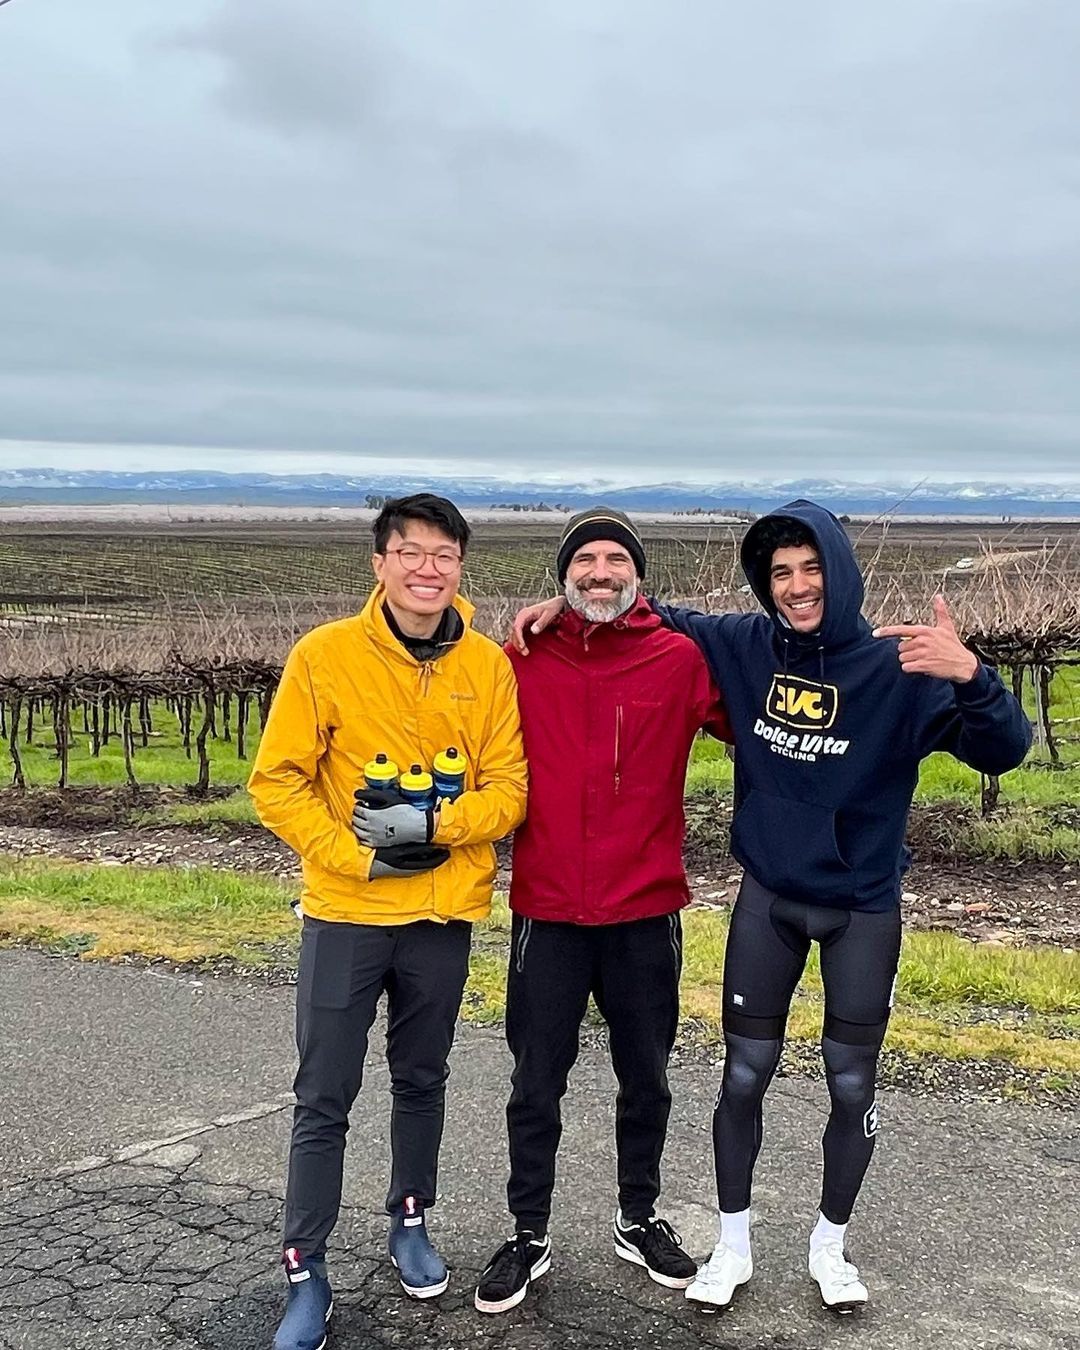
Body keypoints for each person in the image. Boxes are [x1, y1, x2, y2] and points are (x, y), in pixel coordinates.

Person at [511, 499, 1030, 1314]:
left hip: (862, 906)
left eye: (811, 568)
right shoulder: (743, 646)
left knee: (850, 1082)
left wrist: (972, 675)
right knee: (744, 1075)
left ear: (840, 569)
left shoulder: (900, 667)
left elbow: (1006, 749)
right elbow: (640, 607)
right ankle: (733, 1244)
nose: (796, 586)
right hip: (769, 899)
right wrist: (568, 601)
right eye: (780, 572)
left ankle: (831, 1248)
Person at [249, 493, 527, 1350]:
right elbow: (277, 782)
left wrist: (437, 828)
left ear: (460, 567)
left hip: (441, 915)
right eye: (410, 551)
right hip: (346, 912)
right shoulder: (324, 655)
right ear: (380, 563)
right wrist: (353, 854)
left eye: (444, 554)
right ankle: (306, 1269)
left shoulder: (486, 666)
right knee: (323, 1095)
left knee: (422, 1079)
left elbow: (510, 790)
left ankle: (410, 1220)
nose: (428, 568)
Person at [474, 508, 733, 1315]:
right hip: (546, 910)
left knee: (646, 1078)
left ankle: (636, 1215)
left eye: (615, 559)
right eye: (583, 560)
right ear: (562, 576)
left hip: (644, 910)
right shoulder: (520, 656)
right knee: (534, 1082)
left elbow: (758, 723)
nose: (598, 572)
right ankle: (528, 1233)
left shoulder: (678, 659)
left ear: (639, 575)